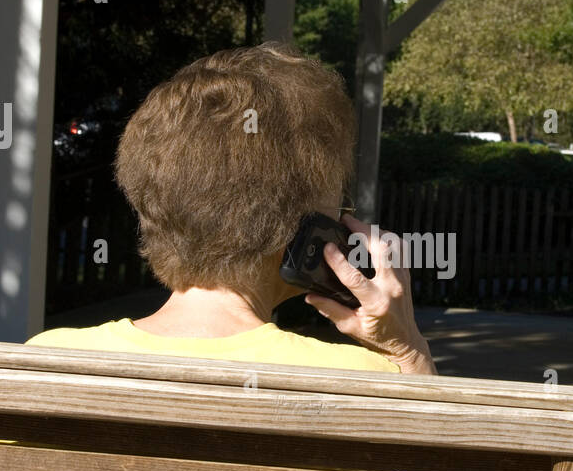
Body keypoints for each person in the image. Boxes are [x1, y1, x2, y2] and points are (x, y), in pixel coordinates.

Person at [28, 44, 436, 375]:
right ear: (306, 233)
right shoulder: (363, 380)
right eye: (338, 209)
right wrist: (409, 350)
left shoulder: (43, 361)